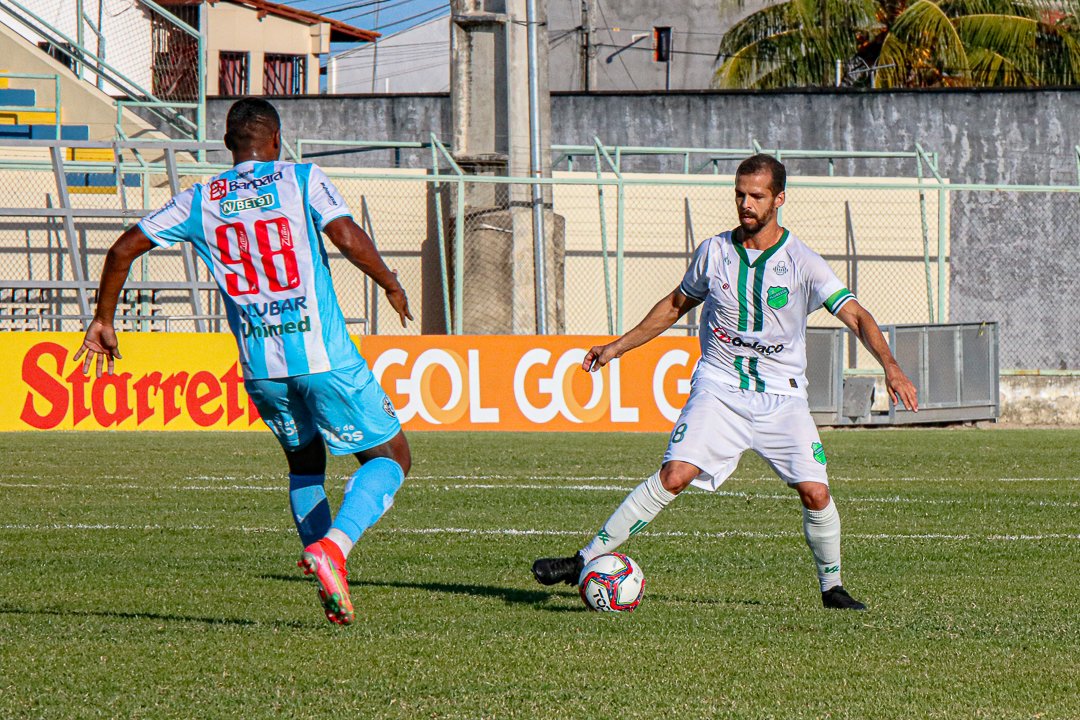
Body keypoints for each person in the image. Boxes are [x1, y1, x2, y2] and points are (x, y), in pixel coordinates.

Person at [74, 98, 413, 625]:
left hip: (259, 367)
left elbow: (121, 251)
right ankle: (335, 550)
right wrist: (390, 282)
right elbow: (345, 236)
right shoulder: (302, 179)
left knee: (305, 466)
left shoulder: (199, 199)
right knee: (392, 457)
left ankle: (328, 566)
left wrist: (104, 320)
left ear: (229, 143)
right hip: (322, 356)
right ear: (276, 139)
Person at [532, 154, 918, 610]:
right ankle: (584, 560)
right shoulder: (714, 252)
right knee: (674, 475)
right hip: (719, 387)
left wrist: (889, 364)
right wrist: (617, 347)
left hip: (782, 398)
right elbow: (676, 303)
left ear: (779, 199)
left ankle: (832, 588)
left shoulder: (803, 262)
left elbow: (855, 312)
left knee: (816, 492)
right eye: (740, 194)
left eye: (756, 196)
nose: (746, 204)